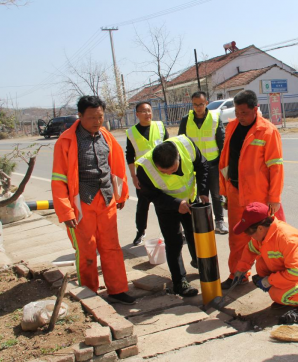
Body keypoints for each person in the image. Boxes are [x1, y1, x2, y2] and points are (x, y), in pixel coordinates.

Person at [52, 95, 135, 305]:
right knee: (86, 249)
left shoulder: (106, 137)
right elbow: (59, 180)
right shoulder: (66, 141)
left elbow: (116, 167)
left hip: (106, 200)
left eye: (100, 117)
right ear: (79, 116)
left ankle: (117, 290)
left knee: (112, 247)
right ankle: (89, 293)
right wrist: (66, 212)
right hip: (81, 203)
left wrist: (120, 193)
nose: (97, 122)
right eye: (92, 118)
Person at [219, 90, 286, 289]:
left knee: (264, 239)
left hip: (259, 196)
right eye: (237, 112)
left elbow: (276, 167)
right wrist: (224, 189)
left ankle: (272, 277)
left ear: (255, 109)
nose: (239, 117)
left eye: (244, 113)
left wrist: (274, 198)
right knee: (237, 237)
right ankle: (237, 274)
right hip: (234, 191)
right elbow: (226, 160)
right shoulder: (232, 127)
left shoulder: (268, 131)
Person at [135, 135, 209, 297]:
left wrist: (203, 191)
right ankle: (179, 282)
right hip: (166, 206)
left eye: (173, 170)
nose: (169, 174)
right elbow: (151, 195)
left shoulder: (186, 146)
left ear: (178, 158)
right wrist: (176, 204)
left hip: (190, 200)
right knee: (174, 241)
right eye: (164, 172)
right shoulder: (144, 167)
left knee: (194, 233)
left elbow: (202, 165)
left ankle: (198, 262)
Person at [232, 202, 298, 311]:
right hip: (296, 269)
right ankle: (290, 294)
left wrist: (269, 281)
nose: (250, 237)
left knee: (277, 294)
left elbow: (296, 272)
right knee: (261, 265)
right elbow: (250, 250)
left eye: (250, 233)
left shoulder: (287, 239)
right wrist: (241, 270)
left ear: (260, 228)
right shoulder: (264, 234)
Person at [178, 91, 228, 234]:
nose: (198, 107)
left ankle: (219, 222)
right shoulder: (186, 120)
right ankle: (199, 223)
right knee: (196, 195)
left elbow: (221, 141)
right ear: (192, 104)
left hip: (213, 164)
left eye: (201, 104)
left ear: (206, 103)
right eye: (195, 104)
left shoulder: (214, 118)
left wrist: (222, 163)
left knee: (217, 194)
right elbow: (180, 142)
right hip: (193, 165)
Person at [126, 101, 169, 246]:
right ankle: (140, 232)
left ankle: (168, 232)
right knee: (143, 206)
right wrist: (133, 176)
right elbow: (130, 155)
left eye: (149, 110)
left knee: (164, 205)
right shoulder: (131, 132)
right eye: (143, 111)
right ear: (137, 114)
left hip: (162, 174)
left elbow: (171, 147)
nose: (147, 114)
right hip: (143, 176)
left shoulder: (160, 126)